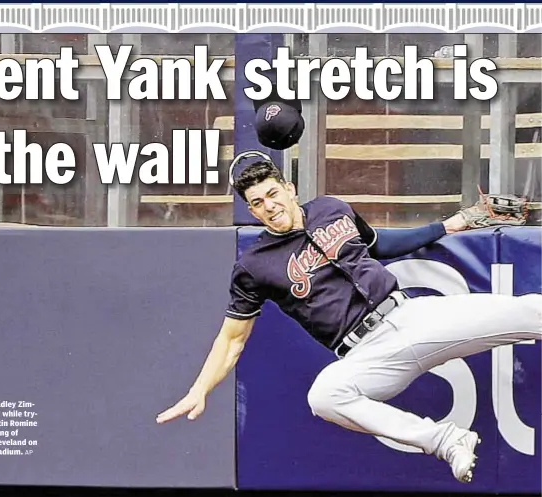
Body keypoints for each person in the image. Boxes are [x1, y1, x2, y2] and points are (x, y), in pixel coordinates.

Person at [156, 93, 542, 485]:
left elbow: (379, 244)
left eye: (272, 194)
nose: (269, 205)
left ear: (288, 189)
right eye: (257, 202)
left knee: (530, 311)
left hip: (412, 317)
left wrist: (447, 226)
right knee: (324, 395)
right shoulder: (254, 265)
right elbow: (232, 339)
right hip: (366, 354)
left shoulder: (331, 207)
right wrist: (199, 389)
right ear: (251, 211)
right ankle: (445, 440)